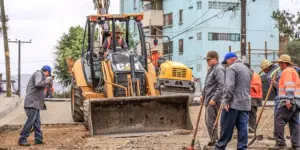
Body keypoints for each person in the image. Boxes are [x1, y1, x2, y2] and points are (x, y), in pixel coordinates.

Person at [215, 52, 252, 150]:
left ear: (230, 59)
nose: (226, 64)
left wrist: (226, 101)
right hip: (245, 104)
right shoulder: (247, 69)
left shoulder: (232, 68)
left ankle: (220, 147)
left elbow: (229, 86)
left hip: (233, 104)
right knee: (243, 128)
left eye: (226, 62)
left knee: (226, 127)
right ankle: (242, 148)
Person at [269, 54, 300, 150]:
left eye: (279, 63)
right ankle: (296, 145)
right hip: (297, 101)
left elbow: (289, 86)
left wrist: (288, 100)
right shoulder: (293, 71)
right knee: (293, 122)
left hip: (289, 101)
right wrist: (276, 84)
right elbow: (287, 86)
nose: (278, 65)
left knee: (279, 120)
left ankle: (280, 144)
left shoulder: (286, 71)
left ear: (283, 63)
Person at [18, 65, 52, 146]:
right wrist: (47, 80)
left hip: (34, 103)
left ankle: (38, 139)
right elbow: (38, 83)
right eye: (48, 74)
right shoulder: (38, 74)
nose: (48, 76)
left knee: (37, 122)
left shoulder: (40, 75)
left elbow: (41, 86)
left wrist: (48, 82)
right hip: (32, 103)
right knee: (30, 121)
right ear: (47, 72)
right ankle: (22, 139)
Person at [201, 51, 225, 149]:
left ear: (215, 59)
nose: (207, 61)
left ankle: (215, 140)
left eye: (209, 59)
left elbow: (221, 85)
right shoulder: (211, 69)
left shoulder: (219, 69)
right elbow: (207, 84)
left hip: (214, 100)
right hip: (208, 99)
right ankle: (214, 139)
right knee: (209, 121)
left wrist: (214, 99)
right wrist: (203, 95)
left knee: (210, 121)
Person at [245, 63, 263, 132]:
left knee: (252, 113)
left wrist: (246, 86)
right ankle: (250, 127)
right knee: (250, 113)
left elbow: (256, 87)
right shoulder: (251, 75)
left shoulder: (255, 76)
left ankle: (252, 128)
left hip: (254, 97)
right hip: (252, 97)